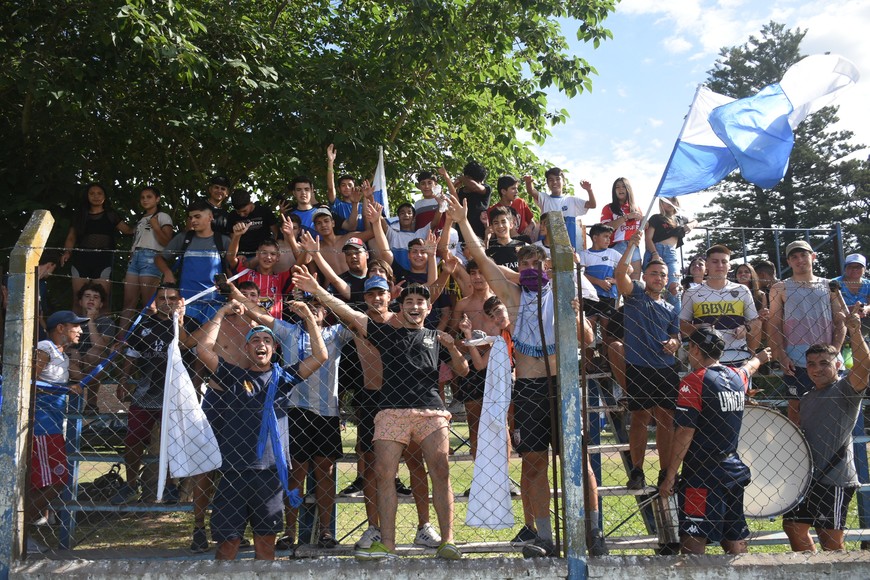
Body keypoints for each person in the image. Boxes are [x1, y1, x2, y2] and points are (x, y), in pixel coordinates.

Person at [446, 194, 605, 557]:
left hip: (562, 385)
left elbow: (590, 339)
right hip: (530, 386)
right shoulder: (512, 293)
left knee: (577, 463)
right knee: (534, 463)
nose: (532, 267)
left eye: (538, 262)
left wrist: (576, 313)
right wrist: (462, 221)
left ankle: (594, 533)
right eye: (526, 263)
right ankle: (543, 536)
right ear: (519, 266)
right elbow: (483, 260)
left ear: (548, 266)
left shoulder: (565, 290)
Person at [292, 267, 469, 561]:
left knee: (440, 472)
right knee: (383, 475)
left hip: (431, 411)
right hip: (390, 412)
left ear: (428, 308)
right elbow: (347, 311)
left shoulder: (436, 337)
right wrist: (318, 289)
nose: (415, 306)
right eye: (409, 301)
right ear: (400, 306)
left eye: (420, 302)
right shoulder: (385, 333)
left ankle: (447, 541)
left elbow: (462, 370)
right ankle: (388, 545)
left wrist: (454, 347)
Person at [195, 306, 327, 561]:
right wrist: (221, 313)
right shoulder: (233, 375)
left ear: (274, 349)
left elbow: (320, 355)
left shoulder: (283, 377)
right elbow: (203, 350)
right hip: (234, 472)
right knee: (228, 545)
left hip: (269, 475)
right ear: (246, 349)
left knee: (266, 545)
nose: (261, 344)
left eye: (267, 340)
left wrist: (310, 318)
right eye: (254, 339)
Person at [229, 286, 351, 550]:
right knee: (295, 474)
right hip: (295, 411)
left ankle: (325, 532)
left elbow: (353, 318)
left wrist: (319, 303)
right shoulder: (289, 331)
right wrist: (232, 290)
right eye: (308, 304)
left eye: (318, 305)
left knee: (326, 475)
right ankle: (289, 532)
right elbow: (258, 315)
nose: (313, 308)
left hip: (327, 412)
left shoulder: (335, 333)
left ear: (326, 310)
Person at [659, 326, 771, 555]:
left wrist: (670, 476)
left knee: (693, 538)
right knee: (734, 537)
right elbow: (750, 367)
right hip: (731, 468)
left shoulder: (693, 381)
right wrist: (761, 357)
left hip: (701, 473)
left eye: (689, 349)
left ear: (696, 350)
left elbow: (685, 432)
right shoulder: (736, 377)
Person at [782, 307, 870, 552]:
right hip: (809, 479)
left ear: (837, 364)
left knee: (830, 541)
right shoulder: (808, 396)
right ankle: (813, 572)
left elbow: (864, 366)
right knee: (793, 526)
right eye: (811, 364)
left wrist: (854, 331)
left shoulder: (845, 390)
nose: (817, 368)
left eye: (824, 363)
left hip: (836, 478)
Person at [111, 285, 194, 504]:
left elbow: (186, 345)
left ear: (180, 301)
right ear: (155, 301)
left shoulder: (187, 323)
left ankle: (169, 486)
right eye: (162, 298)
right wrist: (123, 379)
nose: (167, 302)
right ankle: (130, 485)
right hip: (145, 391)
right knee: (133, 438)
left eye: (172, 298)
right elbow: (131, 352)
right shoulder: (143, 324)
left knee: (172, 441)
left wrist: (180, 321)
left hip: (174, 394)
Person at [615, 231, 680, 491]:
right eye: (654, 273)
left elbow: (675, 335)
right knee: (640, 418)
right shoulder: (637, 294)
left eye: (663, 275)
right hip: (639, 367)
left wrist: (675, 342)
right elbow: (621, 274)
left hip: (666, 368)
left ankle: (666, 472)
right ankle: (637, 470)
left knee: (667, 420)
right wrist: (631, 246)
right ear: (644, 276)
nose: (659, 278)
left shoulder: (671, 306)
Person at [769, 240, 846, 423]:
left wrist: (834, 352)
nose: (799, 260)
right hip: (796, 361)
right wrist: (782, 355)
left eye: (803, 255)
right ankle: (798, 451)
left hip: (829, 360)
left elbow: (841, 321)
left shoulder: (830, 285)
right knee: (796, 410)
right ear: (789, 262)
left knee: (835, 408)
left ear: (813, 256)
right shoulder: (779, 288)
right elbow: (774, 324)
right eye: (794, 257)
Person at [30, 310, 87, 551]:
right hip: (41, 424)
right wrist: (62, 391)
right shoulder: (44, 349)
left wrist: (72, 376)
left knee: (40, 484)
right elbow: (27, 381)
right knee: (57, 481)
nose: (81, 331)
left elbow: (78, 379)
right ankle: (17, 528)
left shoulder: (63, 354)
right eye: (76, 326)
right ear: (60, 328)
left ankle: (19, 532)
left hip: (53, 423)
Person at [155, 199, 230, 329]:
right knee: (185, 342)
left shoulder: (223, 241)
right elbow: (159, 258)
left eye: (197, 216)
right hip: (187, 303)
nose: (193, 221)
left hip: (216, 304)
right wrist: (167, 272)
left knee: (211, 344)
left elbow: (231, 268)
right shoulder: (183, 238)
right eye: (190, 218)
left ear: (210, 217)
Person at [680, 245, 760, 366]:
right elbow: (682, 326)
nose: (720, 265)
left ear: (729, 265)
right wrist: (698, 328)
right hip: (704, 357)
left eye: (724, 261)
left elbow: (755, 321)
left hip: (737, 354)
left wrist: (746, 328)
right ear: (707, 265)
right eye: (715, 261)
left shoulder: (742, 290)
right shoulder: (692, 293)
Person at [62, 182, 134, 310]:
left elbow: (128, 230)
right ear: (87, 196)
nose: (96, 196)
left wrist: (147, 221)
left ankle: (102, 330)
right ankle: (75, 329)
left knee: (102, 300)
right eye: (92, 193)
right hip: (81, 258)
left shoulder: (111, 215)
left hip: (103, 259)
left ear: (105, 196)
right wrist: (67, 252)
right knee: (78, 299)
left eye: (99, 193)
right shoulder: (80, 215)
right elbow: (71, 237)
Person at [120, 185, 174, 330]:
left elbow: (167, 243)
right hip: (135, 257)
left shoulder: (163, 216)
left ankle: (150, 338)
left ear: (157, 199)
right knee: (128, 302)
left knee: (149, 303)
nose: (145, 200)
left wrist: (156, 226)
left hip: (152, 257)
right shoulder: (141, 218)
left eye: (149, 197)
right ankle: (120, 340)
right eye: (142, 197)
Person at [524, 167, 596, 251]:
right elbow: (531, 191)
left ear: (564, 182)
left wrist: (589, 190)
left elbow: (592, 205)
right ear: (547, 183)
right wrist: (528, 182)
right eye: (551, 180)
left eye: (558, 179)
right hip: (546, 248)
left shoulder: (571, 200)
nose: (554, 182)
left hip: (567, 247)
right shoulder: (544, 198)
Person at [69, 282, 115, 412]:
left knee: (93, 352)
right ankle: (77, 395)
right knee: (73, 353)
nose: (91, 299)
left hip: (98, 363)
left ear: (101, 304)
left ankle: (91, 401)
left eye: (96, 297)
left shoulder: (107, 322)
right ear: (80, 301)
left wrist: (90, 321)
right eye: (87, 296)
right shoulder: (72, 321)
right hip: (76, 363)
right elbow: (67, 346)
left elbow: (99, 345)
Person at [644, 197, 696, 307]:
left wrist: (690, 225)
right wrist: (654, 254)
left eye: (672, 200)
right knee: (651, 289)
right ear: (661, 203)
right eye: (665, 201)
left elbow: (695, 220)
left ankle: (675, 323)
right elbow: (648, 238)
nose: (669, 203)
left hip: (671, 254)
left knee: (674, 288)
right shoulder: (656, 217)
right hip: (655, 250)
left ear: (676, 202)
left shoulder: (680, 219)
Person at [600, 177, 642, 280]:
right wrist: (626, 217)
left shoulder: (637, 208)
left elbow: (643, 227)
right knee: (617, 282)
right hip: (616, 247)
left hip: (634, 247)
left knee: (634, 284)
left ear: (628, 189)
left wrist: (645, 220)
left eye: (623, 186)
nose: (620, 189)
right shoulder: (608, 208)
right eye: (617, 187)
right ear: (614, 191)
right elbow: (605, 229)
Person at [226, 189, 279, 258]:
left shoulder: (264, 211)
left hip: (263, 255)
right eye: (238, 212)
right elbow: (232, 240)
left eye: (244, 211)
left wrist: (273, 251)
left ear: (250, 203)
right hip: (242, 256)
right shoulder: (232, 216)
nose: (242, 215)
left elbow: (276, 233)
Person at [325, 144, 363, 233]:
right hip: (341, 243)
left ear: (354, 188)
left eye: (350, 185)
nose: (347, 187)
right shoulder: (336, 204)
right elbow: (330, 188)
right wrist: (330, 162)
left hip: (363, 243)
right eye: (343, 185)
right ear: (338, 189)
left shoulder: (362, 206)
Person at [455, 160, 492, 241]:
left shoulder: (486, 188)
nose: (479, 183)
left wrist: (461, 178)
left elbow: (475, 187)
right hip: (460, 237)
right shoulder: (459, 192)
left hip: (480, 238)